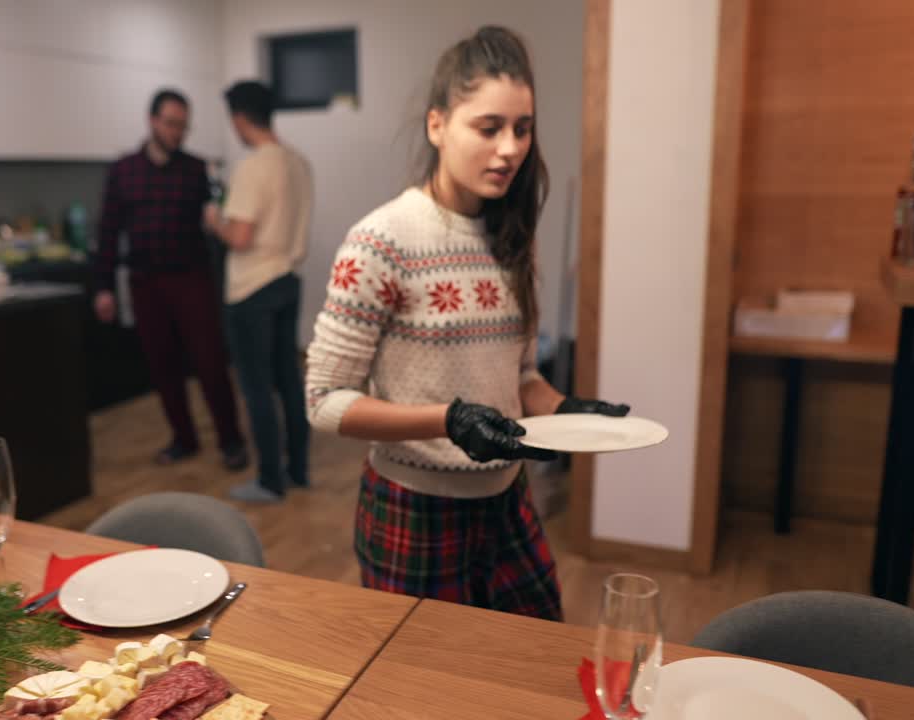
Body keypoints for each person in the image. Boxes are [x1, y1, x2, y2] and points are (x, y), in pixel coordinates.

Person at [304, 27, 629, 620]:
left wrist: (569, 412)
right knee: (426, 694)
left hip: (507, 501)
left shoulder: (512, 239)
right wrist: (447, 421)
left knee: (536, 667)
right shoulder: (381, 241)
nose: (509, 149)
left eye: (522, 128)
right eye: (488, 127)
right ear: (437, 126)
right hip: (415, 510)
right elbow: (325, 402)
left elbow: (521, 378)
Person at [95, 88, 248, 471]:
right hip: (145, 282)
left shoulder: (197, 169)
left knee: (210, 362)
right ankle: (184, 438)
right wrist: (104, 287)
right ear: (152, 121)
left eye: (183, 125)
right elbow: (109, 231)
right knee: (163, 366)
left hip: (191, 278)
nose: (178, 132)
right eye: (171, 123)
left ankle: (231, 440)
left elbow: (220, 219)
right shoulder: (123, 170)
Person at [205, 81, 314, 503]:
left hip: (251, 289)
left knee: (256, 387)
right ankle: (298, 470)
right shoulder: (298, 163)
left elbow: (240, 236)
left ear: (239, 118)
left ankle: (270, 480)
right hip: (287, 280)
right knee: (288, 378)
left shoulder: (253, 167)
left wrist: (214, 218)